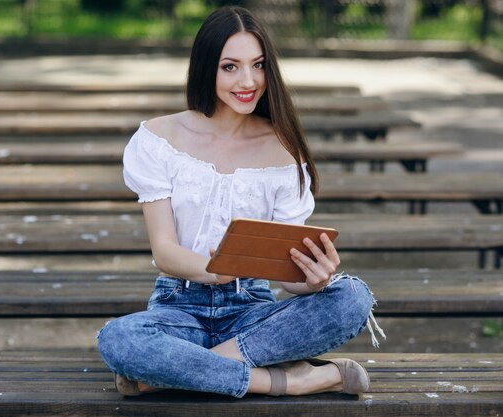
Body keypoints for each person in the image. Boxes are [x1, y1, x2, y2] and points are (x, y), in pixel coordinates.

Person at [97, 6, 383, 398]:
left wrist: (312, 280)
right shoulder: (158, 139)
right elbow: (164, 251)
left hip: (252, 311)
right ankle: (286, 381)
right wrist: (216, 270)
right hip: (179, 307)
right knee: (120, 339)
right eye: (230, 67)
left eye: (258, 65)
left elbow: (284, 274)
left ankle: (181, 369)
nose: (248, 81)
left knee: (352, 296)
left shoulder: (284, 151)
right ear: (206, 68)